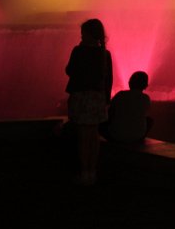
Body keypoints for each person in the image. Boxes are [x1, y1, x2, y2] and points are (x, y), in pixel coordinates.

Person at [64, 18, 112, 185]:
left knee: (83, 137)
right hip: (98, 98)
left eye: (83, 33)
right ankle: (93, 171)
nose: (81, 35)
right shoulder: (105, 54)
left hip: (82, 97)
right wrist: (107, 100)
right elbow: (108, 80)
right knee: (94, 136)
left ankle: (85, 173)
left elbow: (69, 70)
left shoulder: (78, 51)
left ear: (90, 35)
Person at [101, 71, 153, 144]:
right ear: (145, 85)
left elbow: (110, 112)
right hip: (137, 136)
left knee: (101, 121)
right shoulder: (146, 98)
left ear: (130, 82)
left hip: (116, 135)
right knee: (150, 120)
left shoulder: (120, 95)